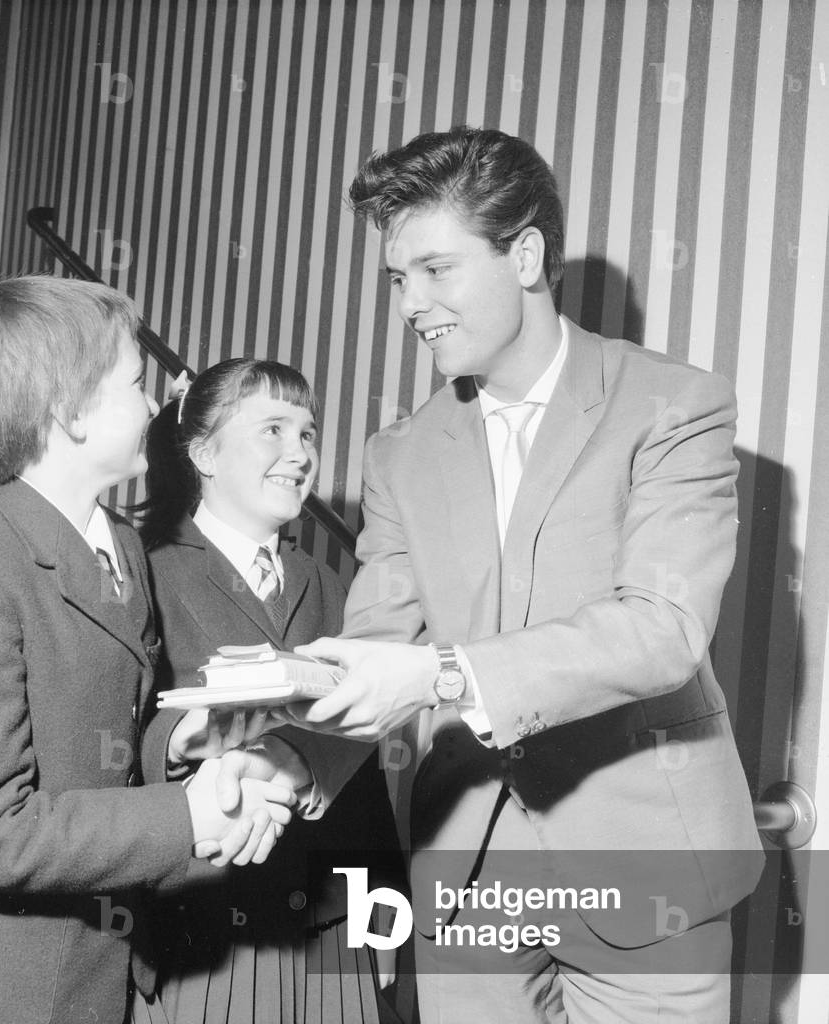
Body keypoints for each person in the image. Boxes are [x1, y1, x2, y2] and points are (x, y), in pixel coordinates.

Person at [277, 127, 764, 1023]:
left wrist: (444, 675)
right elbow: (378, 645)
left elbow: (661, 630)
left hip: (644, 865)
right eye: (397, 279)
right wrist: (278, 762)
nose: (410, 304)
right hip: (466, 877)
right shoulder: (401, 454)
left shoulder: (674, 406)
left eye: (436, 270)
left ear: (527, 254)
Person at [0, 278, 294, 1024]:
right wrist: (185, 819)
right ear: (71, 412)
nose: (156, 403)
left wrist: (181, 738)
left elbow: (114, 730)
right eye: (135, 382)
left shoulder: (118, 544)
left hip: (93, 969)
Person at [134, 358, 402, 1024]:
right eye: (274, 430)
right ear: (203, 452)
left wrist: (381, 906)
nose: (300, 453)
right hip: (209, 940)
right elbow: (112, 737)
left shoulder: (337, 588)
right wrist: (181, 741)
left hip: (334, 939)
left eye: (308, 434)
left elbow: (362, 771)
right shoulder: (144, 573)